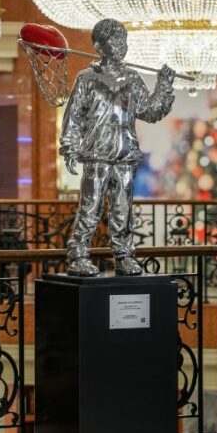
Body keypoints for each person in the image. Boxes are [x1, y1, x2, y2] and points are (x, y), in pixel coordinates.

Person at [60, 19, 176, 276]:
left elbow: (150, 111)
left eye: (123, 40)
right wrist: (69, 146)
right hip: (97, 155)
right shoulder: (87, 79)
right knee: (90, 207)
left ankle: (124, 255)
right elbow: (74, 116)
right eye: (114, 40)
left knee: (122, 209)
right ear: (99, 46)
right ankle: (78, 254)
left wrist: (164, 85)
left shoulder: (133, 79)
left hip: (124, 155)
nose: (121, 45)